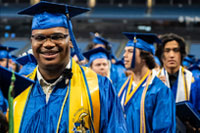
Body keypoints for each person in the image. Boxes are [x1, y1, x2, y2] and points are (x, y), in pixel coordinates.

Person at [13, 1, 127, 132]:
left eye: (57, 37)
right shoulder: (18, 90)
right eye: (40, 38)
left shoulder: (100, 88)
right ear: (31, 42)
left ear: (71, 41)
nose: (48, 44)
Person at [118, 32, 176, 132]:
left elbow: (163, 129)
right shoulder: (119, 86)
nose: (124, 55)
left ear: (144, 57)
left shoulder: (160, 91)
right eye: (125, 51)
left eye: (130, 51)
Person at [155, 33, 196, 103]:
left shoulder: (193, 81)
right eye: (167, 51)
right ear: (161, 55)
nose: (171, 55)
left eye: (176, 50)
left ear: (181, 54)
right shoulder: (152, 81)